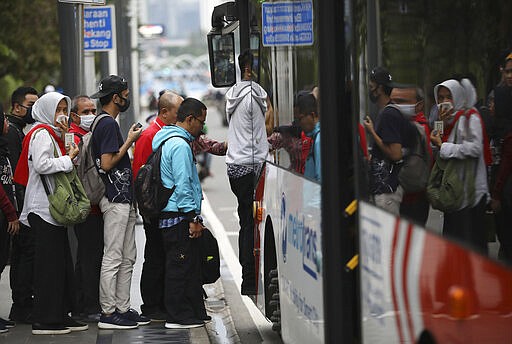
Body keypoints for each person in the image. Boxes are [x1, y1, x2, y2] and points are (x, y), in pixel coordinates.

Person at [13, 92, 88, 335]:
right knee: (49, 267)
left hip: (52, 209)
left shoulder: (52, 134)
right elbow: (43, 165)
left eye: (65, 108)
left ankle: (59, 313)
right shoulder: (42, 133)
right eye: (58, 109)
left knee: (60, 264)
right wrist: (68, 159)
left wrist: (67, 146)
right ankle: (46, 319)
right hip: (43, 208)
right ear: (46, 111)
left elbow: (69, 158)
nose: (63, 114)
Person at [90, 75, 148, 329]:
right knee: (113, 256)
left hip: (123, 198)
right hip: (113, 198)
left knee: (128, 256)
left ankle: (122, 308)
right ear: (116, 98)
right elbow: (106, 163)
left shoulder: (105, 123)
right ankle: (108, 312)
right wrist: (129, 141)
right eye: (125, 94)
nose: (127, 99)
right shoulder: (107, 125)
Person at [152, 98, 209, 329]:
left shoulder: (171, 141)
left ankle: (191, 311)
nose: (202, 128)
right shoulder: (179, 145)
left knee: (186, 265)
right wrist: (193, 218)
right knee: (179, 266)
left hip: (173, 216)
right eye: (201, 122)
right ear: (190, 119)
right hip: (178, 216)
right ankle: (177, 316)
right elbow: (183, 184)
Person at [225, 50, 269, 295]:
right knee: (255, 224)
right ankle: (252, 277)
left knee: (245, 221)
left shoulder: (231, 94)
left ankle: (247, 279)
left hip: (235, 167)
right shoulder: (259, 94)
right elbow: (267, 123)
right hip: (256, 166)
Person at [430, 79, 489, 254]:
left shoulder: (470, 117)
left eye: (449, 97)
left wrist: (444, 147)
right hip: (453, 192)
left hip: (471, 193)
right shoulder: (446, 121)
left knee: (472, 244)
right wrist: (440, 123)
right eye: (440, 98)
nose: (444, 102)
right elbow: (436, 145)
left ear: (459, 96)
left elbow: (475, 148)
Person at [67, 95, 104, 322]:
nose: (90, 115)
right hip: (87, 206)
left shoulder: (85, 135)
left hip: (92, 207)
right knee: (91, 257)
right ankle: (89, 305)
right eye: (85, 111)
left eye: (93, 110)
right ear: (74, 115)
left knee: (86, 256)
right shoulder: (74, 138)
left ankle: (82, 303)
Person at [364, 70, 416, 215]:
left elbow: (395, 154)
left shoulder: (388, 114)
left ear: (379, 88)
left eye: (371, 85)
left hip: (387, 192)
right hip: (384, 190)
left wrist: (372, 132)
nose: (370, 89)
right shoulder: (388, 112)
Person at [6, 86, 38, 324]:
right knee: (24, 255)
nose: (33, 110)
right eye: (30, 105)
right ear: (17, 107)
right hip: (17, 206)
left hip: (18, 205)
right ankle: (23, 304)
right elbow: (15, 173)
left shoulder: (19, 130)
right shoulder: (12, 132)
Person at [390, 86, 433, 225]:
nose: (396, 106)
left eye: (401, 101)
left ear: (419, 105)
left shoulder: (419, 128)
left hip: (414, 200)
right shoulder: (395, 124)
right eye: (393, 101)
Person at [0, 108, 21, 334]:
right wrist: (11, 213)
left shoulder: (4, 147)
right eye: (3, 118)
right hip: (4, 214)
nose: (6, 122)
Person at [296, 93, 321, 181]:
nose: (300, 123)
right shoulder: (315, 138)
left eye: (301, 118)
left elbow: (320, 179)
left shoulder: (319, 141)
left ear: (312, 115)